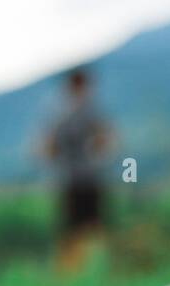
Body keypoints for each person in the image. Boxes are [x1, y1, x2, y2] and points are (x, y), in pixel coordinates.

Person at [43, 67, 112, 266]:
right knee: (88, 228)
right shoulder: (89, 111)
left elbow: (48, 150)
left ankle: (80, 268)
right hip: (84, 179)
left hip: (72, 179)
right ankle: (89, 267)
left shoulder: (58, 114)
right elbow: (105, 141)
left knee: (74, 229)